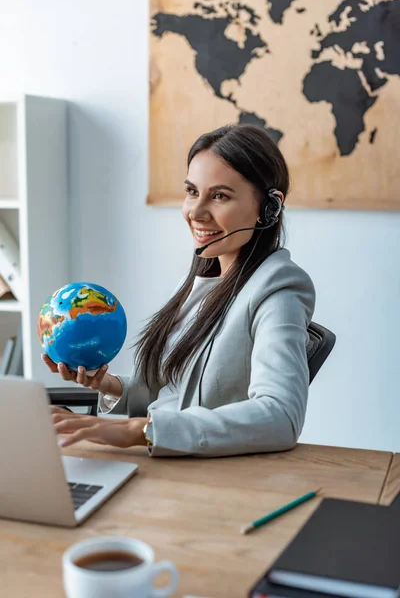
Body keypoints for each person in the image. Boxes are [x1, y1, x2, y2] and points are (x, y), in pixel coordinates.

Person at [45, 123, 316, 457]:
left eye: (219, 196)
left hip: (202, 476)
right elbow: (170, 393)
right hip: (158, 461)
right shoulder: (203, 278)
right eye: (192, 192)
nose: (196, 213)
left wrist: (137, 431)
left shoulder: (280, 290)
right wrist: (108, 385)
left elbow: (281, 416)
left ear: (269, 207)